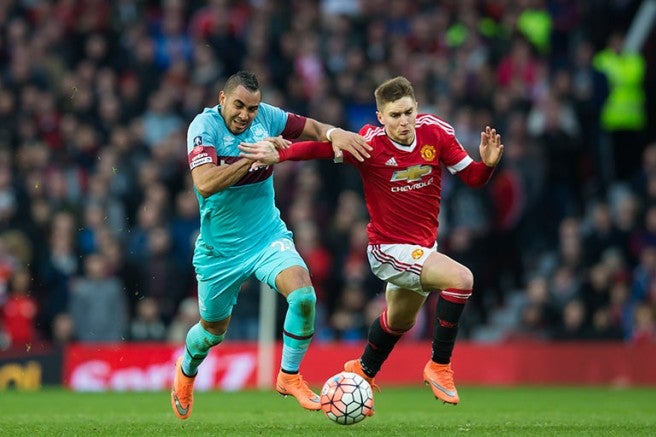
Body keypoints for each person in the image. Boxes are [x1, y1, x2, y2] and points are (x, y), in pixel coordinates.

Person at [239, 76, 503, 408]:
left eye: (408, 112)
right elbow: (321, 149)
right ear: (381, 116)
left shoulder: (437, 133)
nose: (403, 121)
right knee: (462, 279)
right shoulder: (370, 144)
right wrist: (281, 153)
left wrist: (489, 165)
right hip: (388, 250)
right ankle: (439, 366)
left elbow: (473, 178)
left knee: (399, 321)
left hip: (423, 249)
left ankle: (364, 370)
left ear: (417, 108)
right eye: (394, 115)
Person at [170, 71, 371, 420]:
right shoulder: (204, 127)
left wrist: (334, 132)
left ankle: (288, 376)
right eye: (238, 105)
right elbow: (203, 183)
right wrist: (254, 157)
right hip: (220, 252)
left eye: (252, 107)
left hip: (267, 237)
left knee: (304, 295)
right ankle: (186, 371)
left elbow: (309, 127)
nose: (246, 115)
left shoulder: (268, 117)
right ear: (222, 99)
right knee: (212, 332)